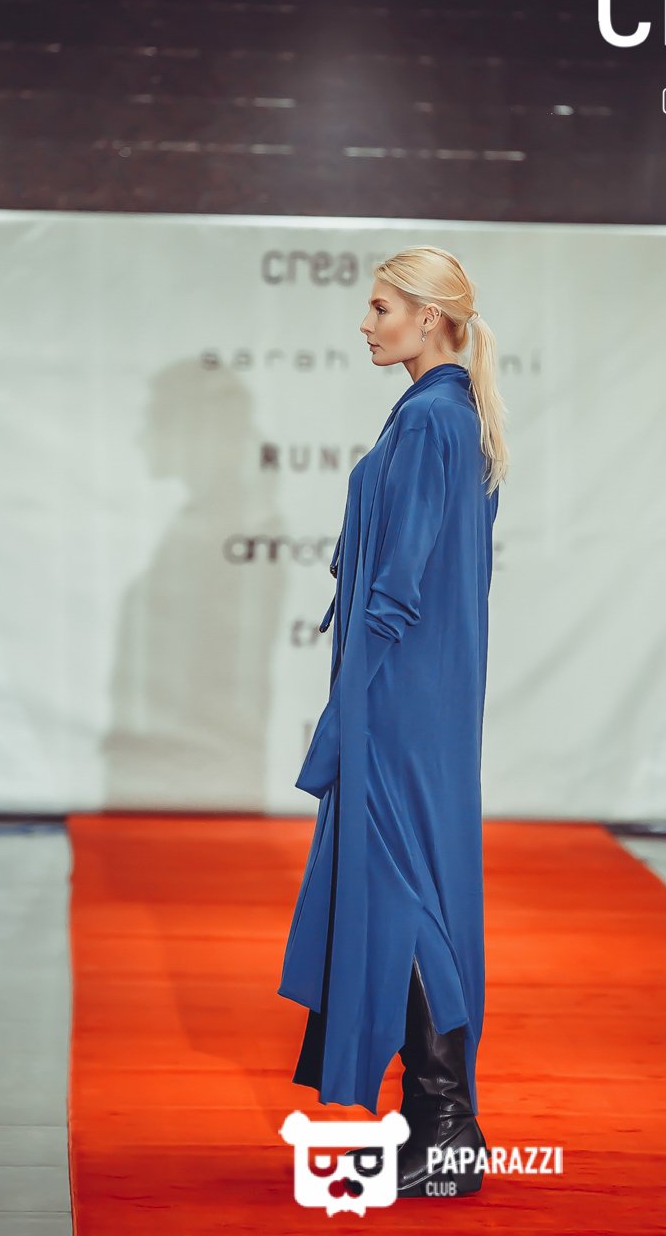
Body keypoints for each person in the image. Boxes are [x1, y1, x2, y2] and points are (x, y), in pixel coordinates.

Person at [277, 245, 507, 1198]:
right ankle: (436, 1120)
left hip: (399, 696)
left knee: (404, 896)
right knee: (420, 893)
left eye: (380, 307)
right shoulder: (453, 415)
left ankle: (446, 1124)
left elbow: (395, 591)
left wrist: (349, 709)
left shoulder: (428, 420)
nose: (365, 323)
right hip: (428, 694)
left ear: (429, 317)